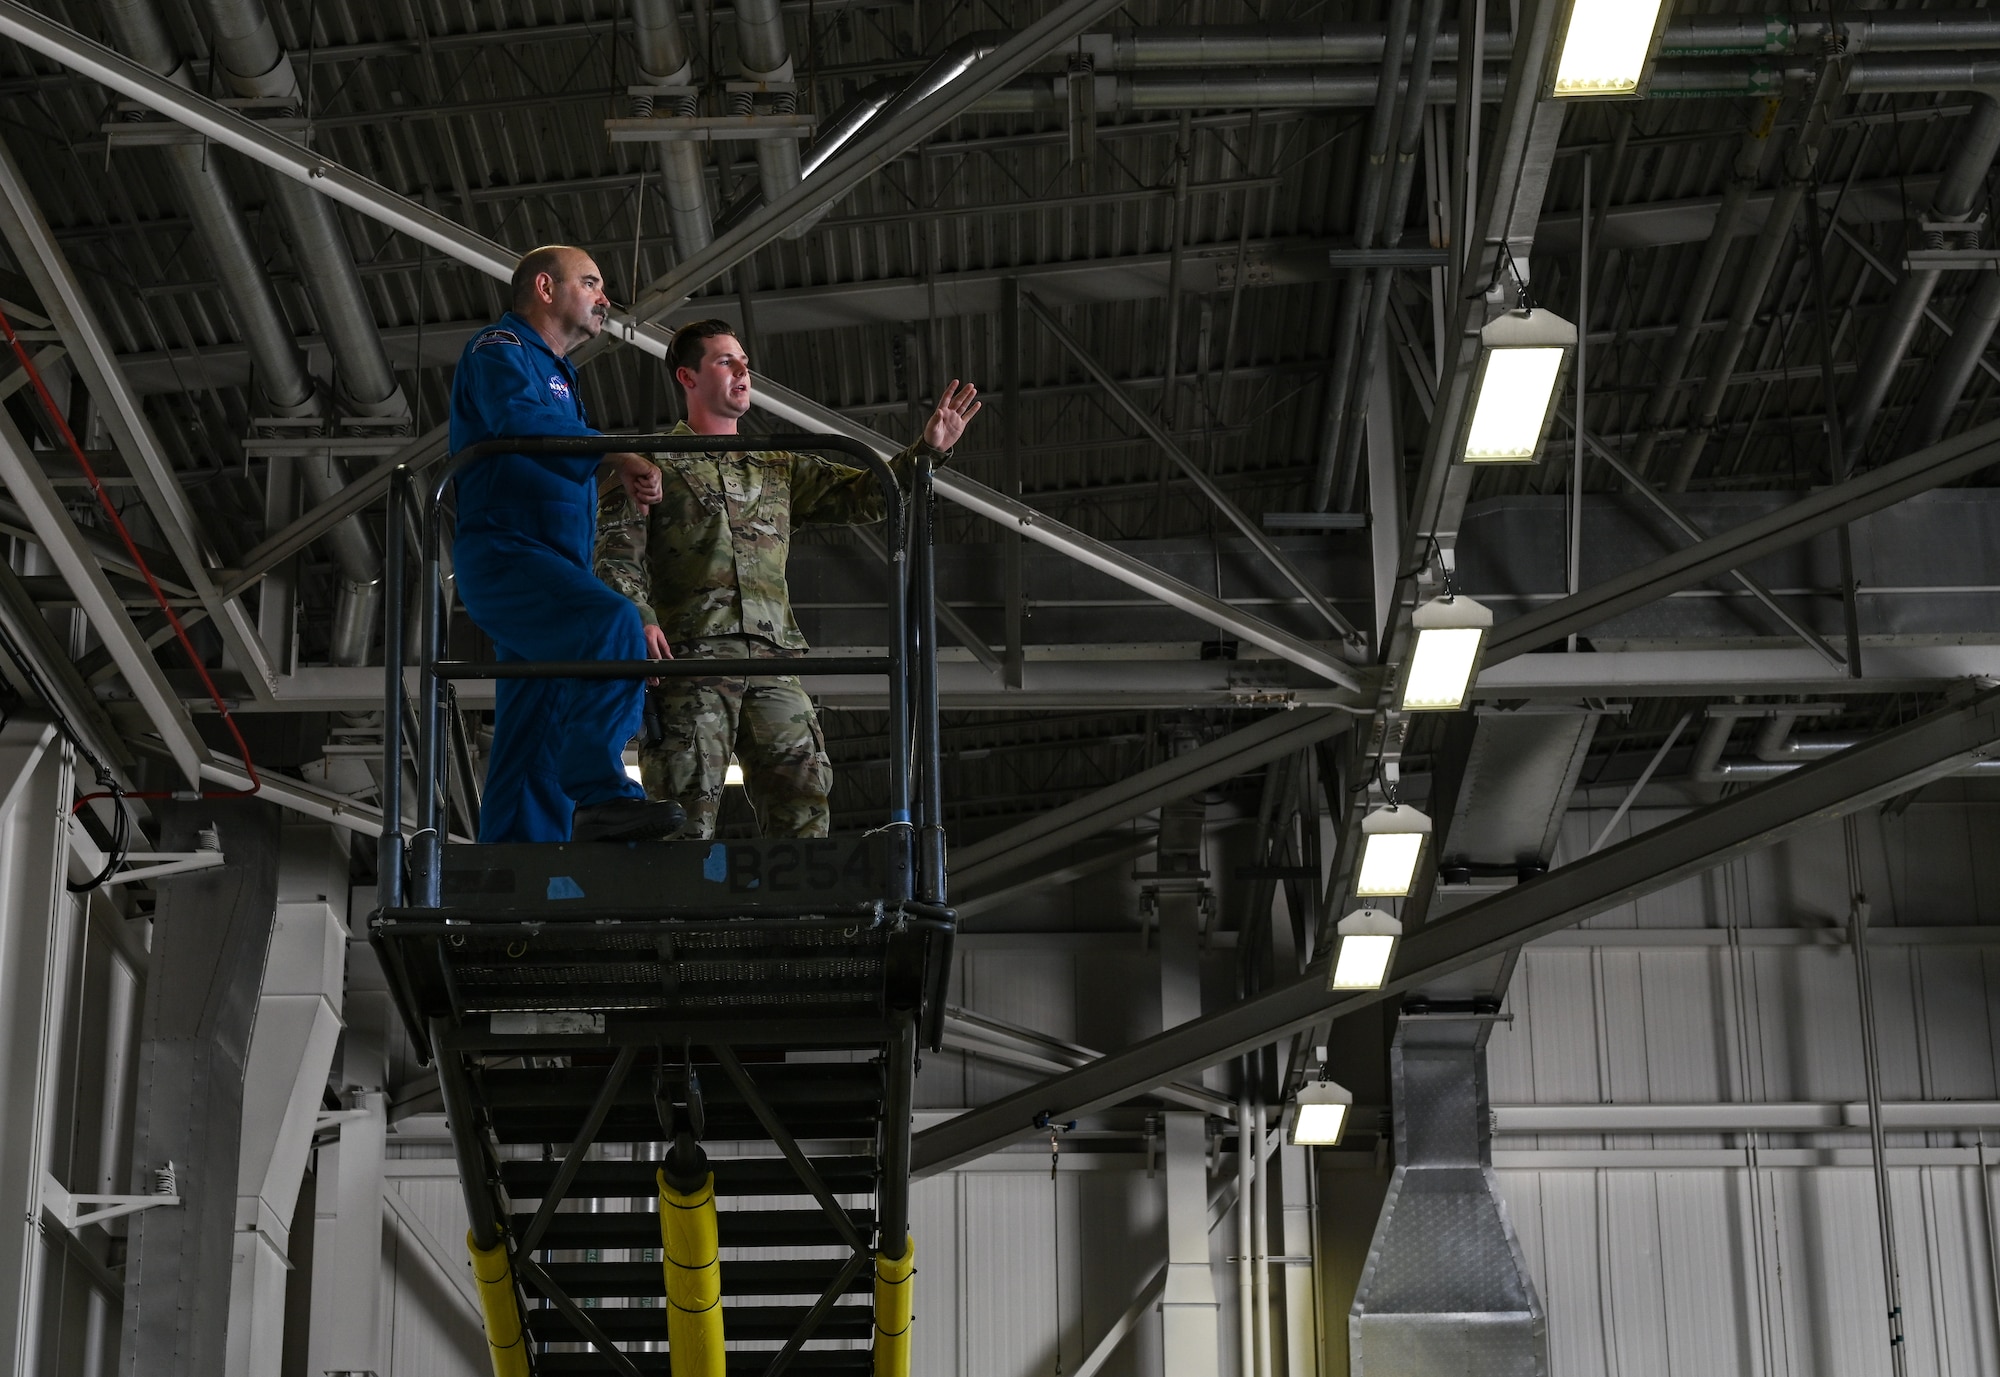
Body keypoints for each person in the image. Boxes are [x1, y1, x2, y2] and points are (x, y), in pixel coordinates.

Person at [594, 319, 980, 839]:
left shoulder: (775, 466)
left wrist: (926, 452)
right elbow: (616, 558)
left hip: (775, 659)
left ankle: (802, 921)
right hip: (690, 659)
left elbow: (868, 494)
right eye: (725, 361)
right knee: (682, 814)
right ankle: (677, 921)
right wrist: (638, 621)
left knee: (804, 799)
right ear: (687, 377)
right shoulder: (650, 463)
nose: (742, 371)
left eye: (745, 361)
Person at [447, 245, 685, 844]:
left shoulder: (559, 376)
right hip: (508, 556)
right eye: (592, 282)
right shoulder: (499, 350)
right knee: (612, 624)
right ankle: (603, 794)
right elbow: (522, 421)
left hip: (546, 566)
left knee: (536, 729)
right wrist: (615, 450)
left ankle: (516, 880)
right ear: (546, 289)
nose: (605, 297)